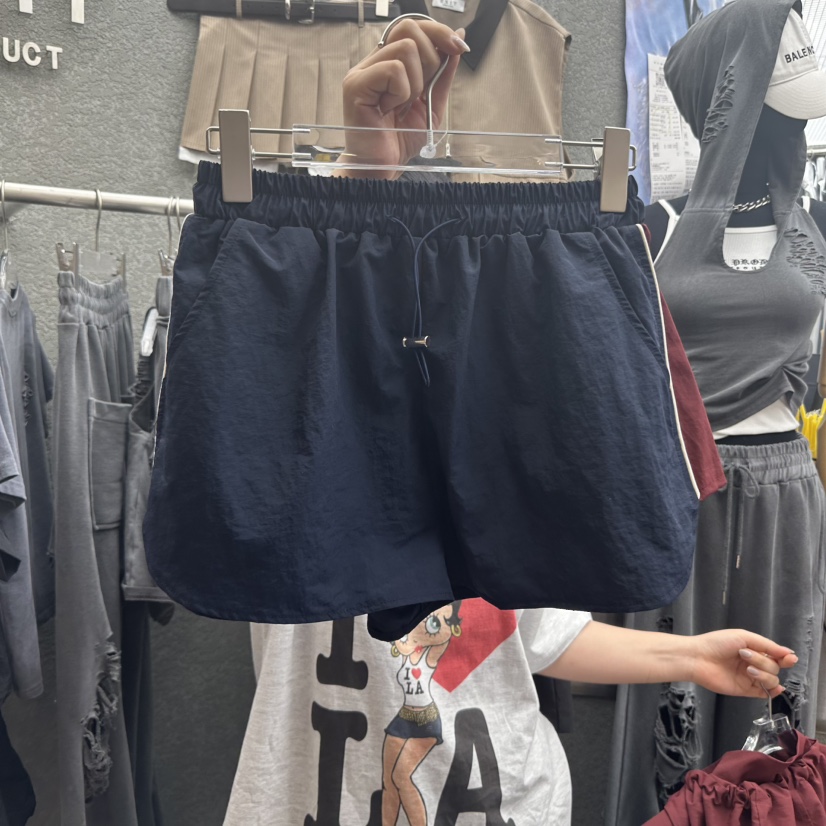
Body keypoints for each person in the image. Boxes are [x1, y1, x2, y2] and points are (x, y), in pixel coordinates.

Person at [221, 18, 800, 826]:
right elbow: (295, 345)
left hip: (511, 800)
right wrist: (365, 175)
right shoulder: (307, 447)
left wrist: (690, 655)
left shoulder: (496, 452)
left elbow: (542, 635)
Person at [606, 2, 826, 822]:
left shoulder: (809, 226)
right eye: (782, 49)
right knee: (672, 698)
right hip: (681, 486)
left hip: (788, 488)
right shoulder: (654, 224)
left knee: (778, 697)